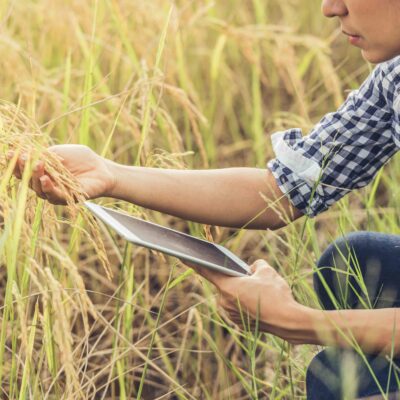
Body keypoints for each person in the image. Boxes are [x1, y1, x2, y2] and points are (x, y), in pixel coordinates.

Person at [11, 0, 400, 398]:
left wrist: (297, 322)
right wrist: (110, 175)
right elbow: (280, 191)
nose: (330, 8)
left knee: (349, 381)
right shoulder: (393, 75)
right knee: (356, 263)